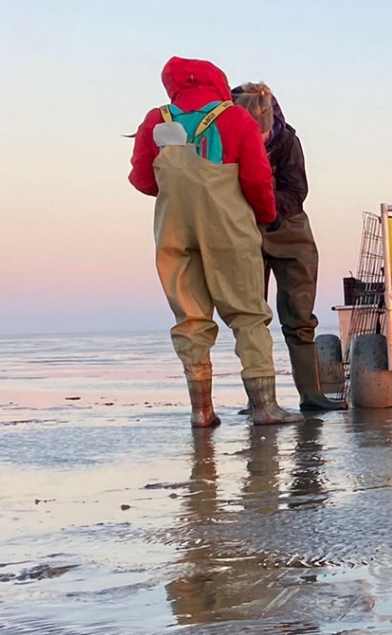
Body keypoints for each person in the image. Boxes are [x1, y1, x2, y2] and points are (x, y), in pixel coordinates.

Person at [127, 57, 298, 427]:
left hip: (173, 230)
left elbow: (141, 179)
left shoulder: (156, 120)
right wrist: (267, 216)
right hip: (228, 228)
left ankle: (201, 412)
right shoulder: (235, 118)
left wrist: (176, 191)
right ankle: (265, 407)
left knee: (190, 319)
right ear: (216, 81)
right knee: (248, 314)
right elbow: (257, 180)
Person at [229, 84, 342, 411]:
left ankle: (312, 396)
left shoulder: (289, 141)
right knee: (252, 317)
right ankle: (260, 401)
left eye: (263, 133)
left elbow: (297, 190)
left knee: (300, 317)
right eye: (253, 134)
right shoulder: (224, 142)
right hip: (246, 232)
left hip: (291, 230)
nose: (261, 140)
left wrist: (269, 207)